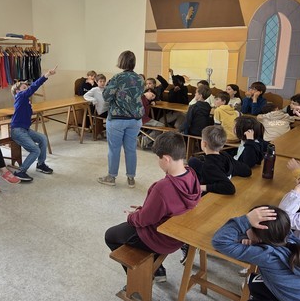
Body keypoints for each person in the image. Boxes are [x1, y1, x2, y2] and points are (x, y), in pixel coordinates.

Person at [105, 132, 201, 282]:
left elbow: (144, 220)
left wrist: (131, 216)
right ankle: (158, 268)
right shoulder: (191, 174)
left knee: (110, 235)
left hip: (159, 238)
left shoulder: (163, 187)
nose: (158, 161)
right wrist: (145, 209)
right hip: (177, 235)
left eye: (158, 158)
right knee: (129, 229)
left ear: (166, 159)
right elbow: (167, 208)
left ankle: (140, 280)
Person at [98, 50, 144, 188]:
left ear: (121, 61)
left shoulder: (117, 78)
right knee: (131, 149)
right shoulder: (140, 79)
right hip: (135, 119)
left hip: (117, 118)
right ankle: (131, 178)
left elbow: (106, 96)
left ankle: (111, 177)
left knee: (114, 149)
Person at [10, 66, 58, 182]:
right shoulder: (20, 96)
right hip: (17, 131)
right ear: (17, 91)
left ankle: (40, 164)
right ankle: (20, 171)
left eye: (27, 87)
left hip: (25, 130)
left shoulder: (25, 100)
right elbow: (34, 87)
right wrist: (46, 75)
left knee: (42, 138)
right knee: (35, 150)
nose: (27, 89)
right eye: (24, 88)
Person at [188, 125, 251, 195]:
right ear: (223, 145)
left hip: (208, 196)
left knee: (192, 162)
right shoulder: (225, 156)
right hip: (217, 184)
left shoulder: (208, 165)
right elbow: (247, 171)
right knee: (193, 161)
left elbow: (229, 188)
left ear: (204, 144)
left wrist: (201, 187)